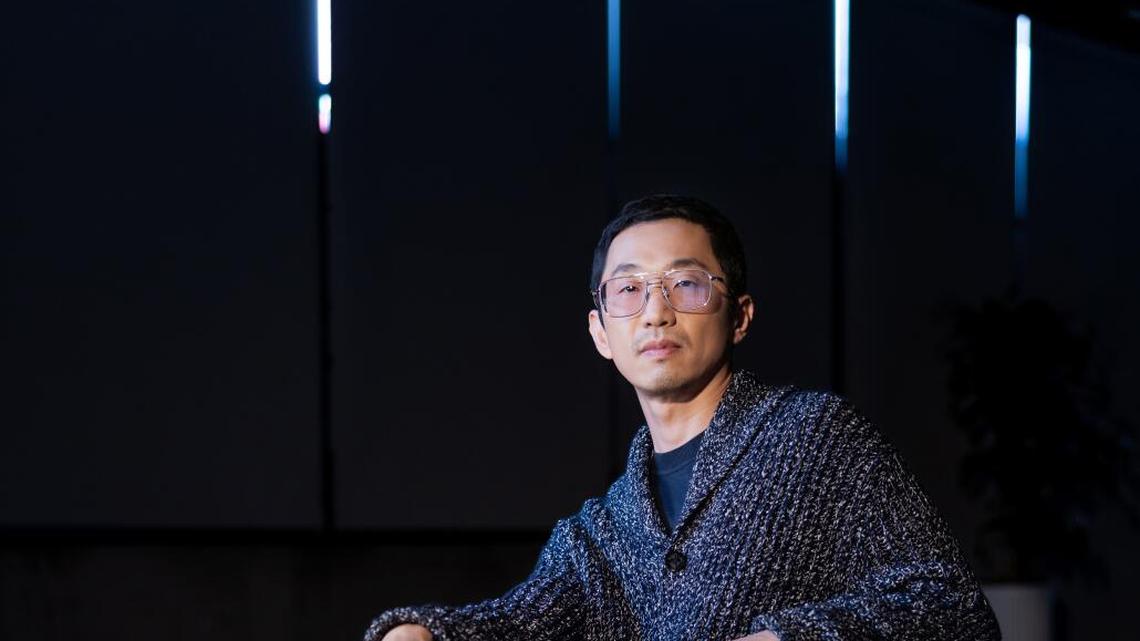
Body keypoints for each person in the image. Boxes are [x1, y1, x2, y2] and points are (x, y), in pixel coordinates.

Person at [365, 195, 1001, 641]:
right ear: (601, 332)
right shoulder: (605, 531)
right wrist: (423, 631)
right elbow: (519, 621)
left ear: (741, 314)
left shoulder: (814, 437)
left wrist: (787, 637)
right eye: (629, 289)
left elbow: (951, 609)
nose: (655, 313)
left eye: (687, 285)